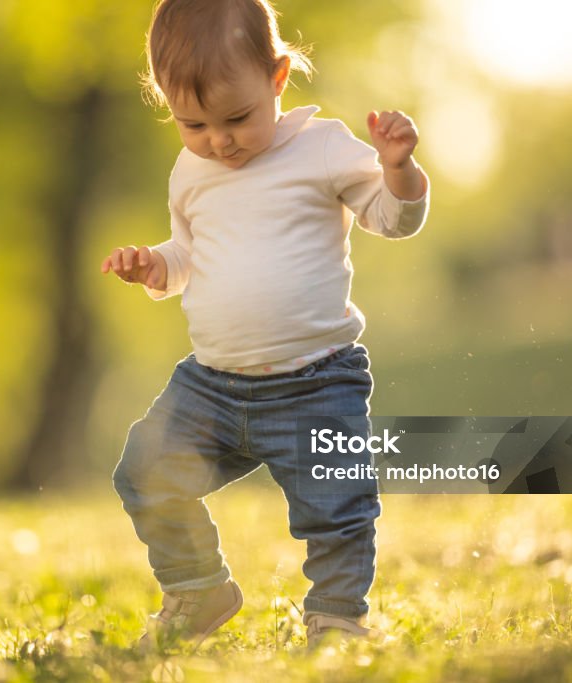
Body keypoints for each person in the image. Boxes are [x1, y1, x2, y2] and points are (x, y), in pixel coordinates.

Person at [102, 0, 429, 649]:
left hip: (316, 380)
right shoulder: (189, 173)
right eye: (193, 123)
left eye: (237, 118)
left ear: (277, 77)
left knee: (337, 507)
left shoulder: (322, 148)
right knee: (145, 470)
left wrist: (399, 170)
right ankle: (197, 587)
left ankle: (336, 616)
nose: (218, 140)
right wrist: (155, 266)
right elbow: (190, 255)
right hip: (213, 385)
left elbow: (392, 220)